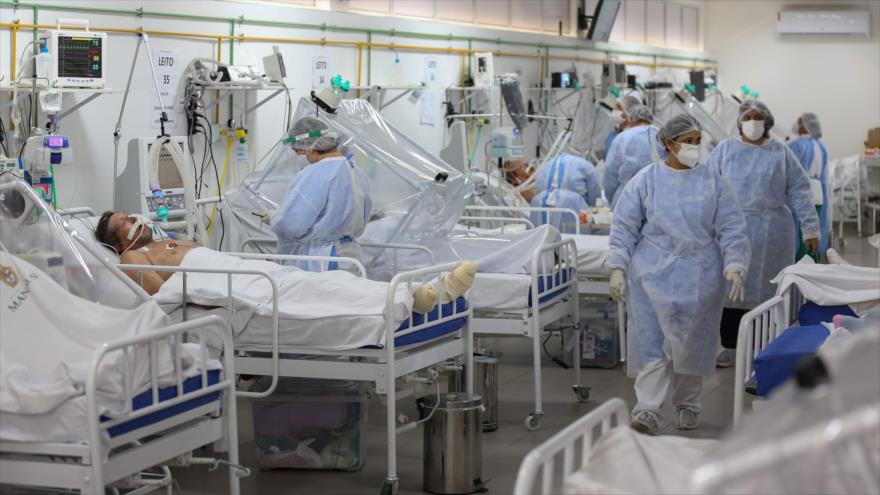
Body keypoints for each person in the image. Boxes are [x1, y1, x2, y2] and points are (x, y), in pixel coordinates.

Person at [608, 114, 750, 434]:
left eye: (698, 140)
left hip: (700, 274)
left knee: (691, 344)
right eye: (689, 141)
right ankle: (647, 408)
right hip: (650, 274)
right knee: (651, 344)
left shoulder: (713, 181)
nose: (695, 147)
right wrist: (617, 266)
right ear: (668, 143)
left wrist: (735, 264)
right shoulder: (645, 180)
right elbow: (624, 228)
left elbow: (731, 226)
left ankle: (688, 403)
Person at [93, 211, 474, 311]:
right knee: (312, 290)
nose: (133, 218)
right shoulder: (131, 256)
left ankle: (413, 291)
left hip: (241, 270)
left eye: (130, 213)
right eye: (124, 222)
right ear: (116, 239)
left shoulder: (166, 239)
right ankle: (408, 297)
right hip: (224, 283)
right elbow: (164, 298)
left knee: (318, 282)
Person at [706, 100, 820, 367]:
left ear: (767, 122)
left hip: (774, 230)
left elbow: (801, 191)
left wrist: (811, 228)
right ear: (739, 120)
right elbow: (706, 187)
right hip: (732, 228)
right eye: (748, 116)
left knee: (770, 288)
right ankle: (731, 346)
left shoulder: (780, 152)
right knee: (732, 288)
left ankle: (765, 347)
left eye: (758, 117)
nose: (753, 122)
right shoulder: (725, 150)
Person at [263, 117, 372, 272]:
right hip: (350, 258)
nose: (297, 156)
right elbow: (364, 214)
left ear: (309, 147)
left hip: (321, 259)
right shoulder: (356, 171)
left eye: (297, 151)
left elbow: (292, 225)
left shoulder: (316, 173)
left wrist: (274, 217)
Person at [603, 104, 661, 209]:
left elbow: (610, 174)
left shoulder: (622, 138)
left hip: (628, 198)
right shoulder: (663, 136)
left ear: (631, 119)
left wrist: (612, 199)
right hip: (659, 198)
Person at [788, 112, 829, 261]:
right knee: (815, 233)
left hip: (803, 195)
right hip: (818, 194)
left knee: (803, 234)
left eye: (798, 122)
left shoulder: (796, 145)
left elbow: (790, 173)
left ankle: (801, 270)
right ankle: (814, 268)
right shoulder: (821, 145)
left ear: (804, 125)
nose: (795, 125)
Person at [529, 153, 601, 233]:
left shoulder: (545, 166)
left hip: (541, 205)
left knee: (541, 240)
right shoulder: (586, 166)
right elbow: (595, 198)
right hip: (572, 208)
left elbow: (538, 189)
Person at [601, 94, 642, 159]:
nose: (614, 109)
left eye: (619, 107)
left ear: (629, 112)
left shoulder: (633, 137)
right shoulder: (614, 133)